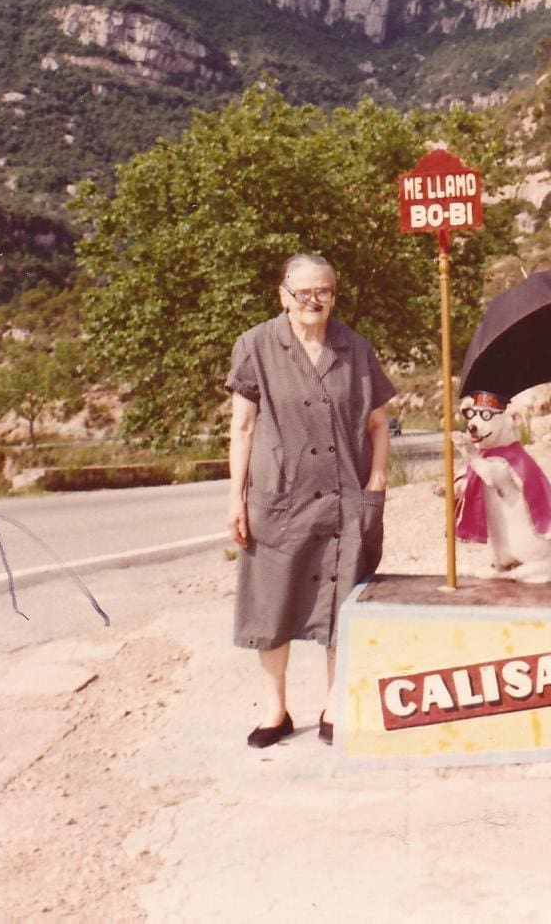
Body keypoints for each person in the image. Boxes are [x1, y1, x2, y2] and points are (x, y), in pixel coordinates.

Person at [225, 253, 394, 749]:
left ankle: (334, 705)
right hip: (279, 502)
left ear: (334, 296)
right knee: (272, 606)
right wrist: (235, 498)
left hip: (344, 503)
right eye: (304, 292)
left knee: (342, 606)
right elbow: (243, 427)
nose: (314, 300)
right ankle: (275, 710)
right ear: (284, 294)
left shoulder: (356, 349)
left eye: (325, 291)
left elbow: (379, 423)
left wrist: (378, 479)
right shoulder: (255, 346)